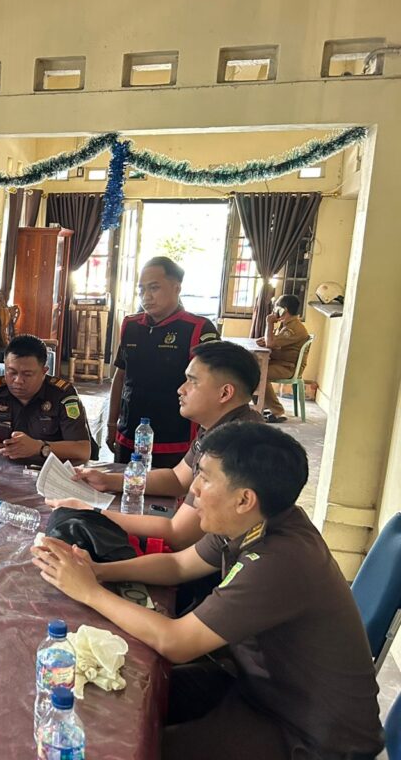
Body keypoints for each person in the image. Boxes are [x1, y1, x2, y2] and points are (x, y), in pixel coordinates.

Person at [32, 422, 383, 760]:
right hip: (257, 686)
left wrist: (90, 592)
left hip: (307, 734)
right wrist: (98, 571)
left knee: (133, 745)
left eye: (205, 478)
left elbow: (177, 641)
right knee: (130, 694)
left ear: (244, 499)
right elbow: (179, 565)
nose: (194, 489)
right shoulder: (252, 519)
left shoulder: (280, 560)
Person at [56, 341, 264, 552]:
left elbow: (179, 534)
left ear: (225, 393)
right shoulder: (221, 425)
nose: (181, 389)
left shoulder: (234, 445)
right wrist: (108, 480)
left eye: (192, 382)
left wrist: (90, 512)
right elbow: (177, 479)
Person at [107, 256, 219, 468]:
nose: (146, 296)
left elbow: (211, 386)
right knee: (125, 484)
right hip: (130, 433)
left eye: (154, 288)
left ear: (176, 288)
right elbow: (121, 376)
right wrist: (112, 423)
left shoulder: (198, 328)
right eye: (141, 289)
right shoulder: (131, 326)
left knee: (170, 487)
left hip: (176, 438)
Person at [0, 334, 90, 465]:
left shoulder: (62, 395)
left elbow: (83, 451)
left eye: (27, 374)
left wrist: (40, 448)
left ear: (44, 371)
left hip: (46, 470)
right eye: (12, 372)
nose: (18, 380)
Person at [256, 293, 309, 423]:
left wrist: (269, 323)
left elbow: (271, 343)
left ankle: (278, 412)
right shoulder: (286, 324)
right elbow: (272, 341)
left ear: (283, 310)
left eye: (276, 307)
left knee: (258, 375)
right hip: (279, 363)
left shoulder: (294, 328)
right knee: (252, 369)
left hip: (287, 367)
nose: (274, 310)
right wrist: (266, 339)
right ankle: (263, 406)